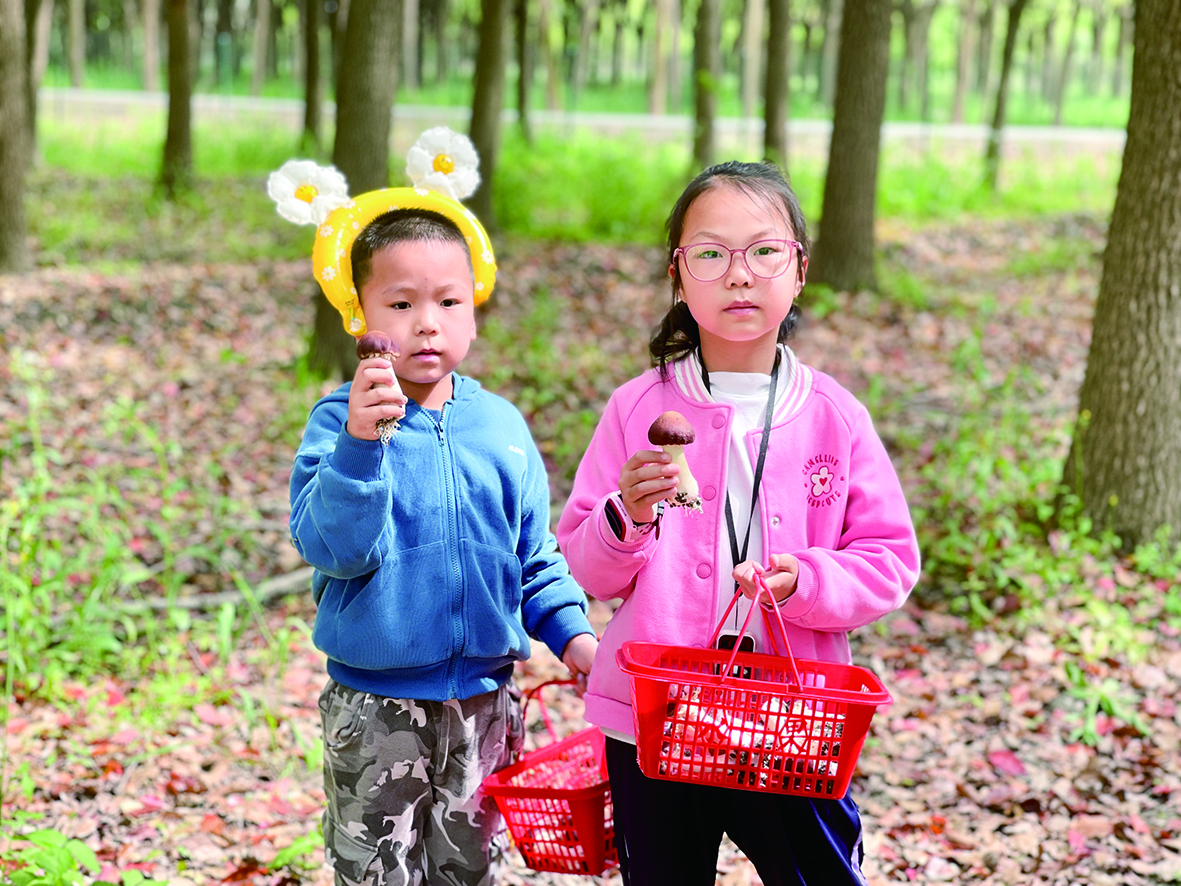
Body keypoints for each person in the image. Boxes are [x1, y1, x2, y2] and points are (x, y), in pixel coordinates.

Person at [556, 159, 921, 885]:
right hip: (653, 719)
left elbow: (889, 559)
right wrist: (624, 516)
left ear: (799, 271)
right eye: (711, 254)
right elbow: (587, 569)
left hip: (793, 717)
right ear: (678, 274)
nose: (739, 275)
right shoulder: (635, 408)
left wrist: (806, 579)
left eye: (763, 251)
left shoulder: (833, 417)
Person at [277, 129, 598, 886]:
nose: (428, 321)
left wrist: (576, 639)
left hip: (486, 703)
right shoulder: (339, 424)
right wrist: (362, 442)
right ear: (359, 314)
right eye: (402, 301)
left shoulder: (502, 429)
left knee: (469, 869)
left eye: (448, 301)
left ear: (474, 310)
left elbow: (533, 557)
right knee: (375, 870)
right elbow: (334, 547)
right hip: (376, 705)